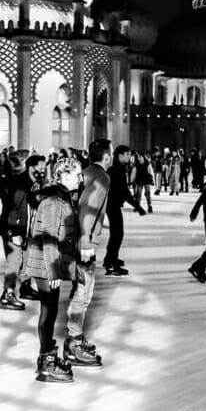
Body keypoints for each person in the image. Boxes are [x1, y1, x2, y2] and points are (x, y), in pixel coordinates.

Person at [25, 156, 82, 383]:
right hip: (44, 265)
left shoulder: (63, 199)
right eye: (77, 174)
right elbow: (49, 239)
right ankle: (46, 360)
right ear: (65, 175)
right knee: (48, 313)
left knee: (49, 312)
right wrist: (53, 270)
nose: (80, 178)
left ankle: (47, 356)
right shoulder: (53, 202)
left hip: (48, 264)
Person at [62, 138, 112, 368]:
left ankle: (74, 337)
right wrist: (86, 242)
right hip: (85, 241)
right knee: (84, 292)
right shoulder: (102, 177)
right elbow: (89, 209)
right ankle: (73, 342)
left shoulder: (86, 172)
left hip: (75, 237)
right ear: (107, 155)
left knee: (79, 289)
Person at [0, 153, 46, 310]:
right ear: (32, 168)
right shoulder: (19, 184)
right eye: (41, 167)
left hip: (25, 230)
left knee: (28, 259)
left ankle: (25, 287)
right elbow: (12, 210)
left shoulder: (35, 182)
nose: (43, 170)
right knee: (15, 261)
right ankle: (7, 295)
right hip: (12, 229)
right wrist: (13, 233)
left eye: (44, 167)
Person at [104, 145, 146, 275]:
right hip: (112, 205)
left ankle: (110, 259)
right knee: (117, 235)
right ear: (120, 156)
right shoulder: (117, 170)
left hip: (112, 204)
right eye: (127, 154)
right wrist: (137, 206)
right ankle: (112, 263)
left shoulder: (118, 169)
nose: (129, 157)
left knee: (116, 234)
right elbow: (124, 192)